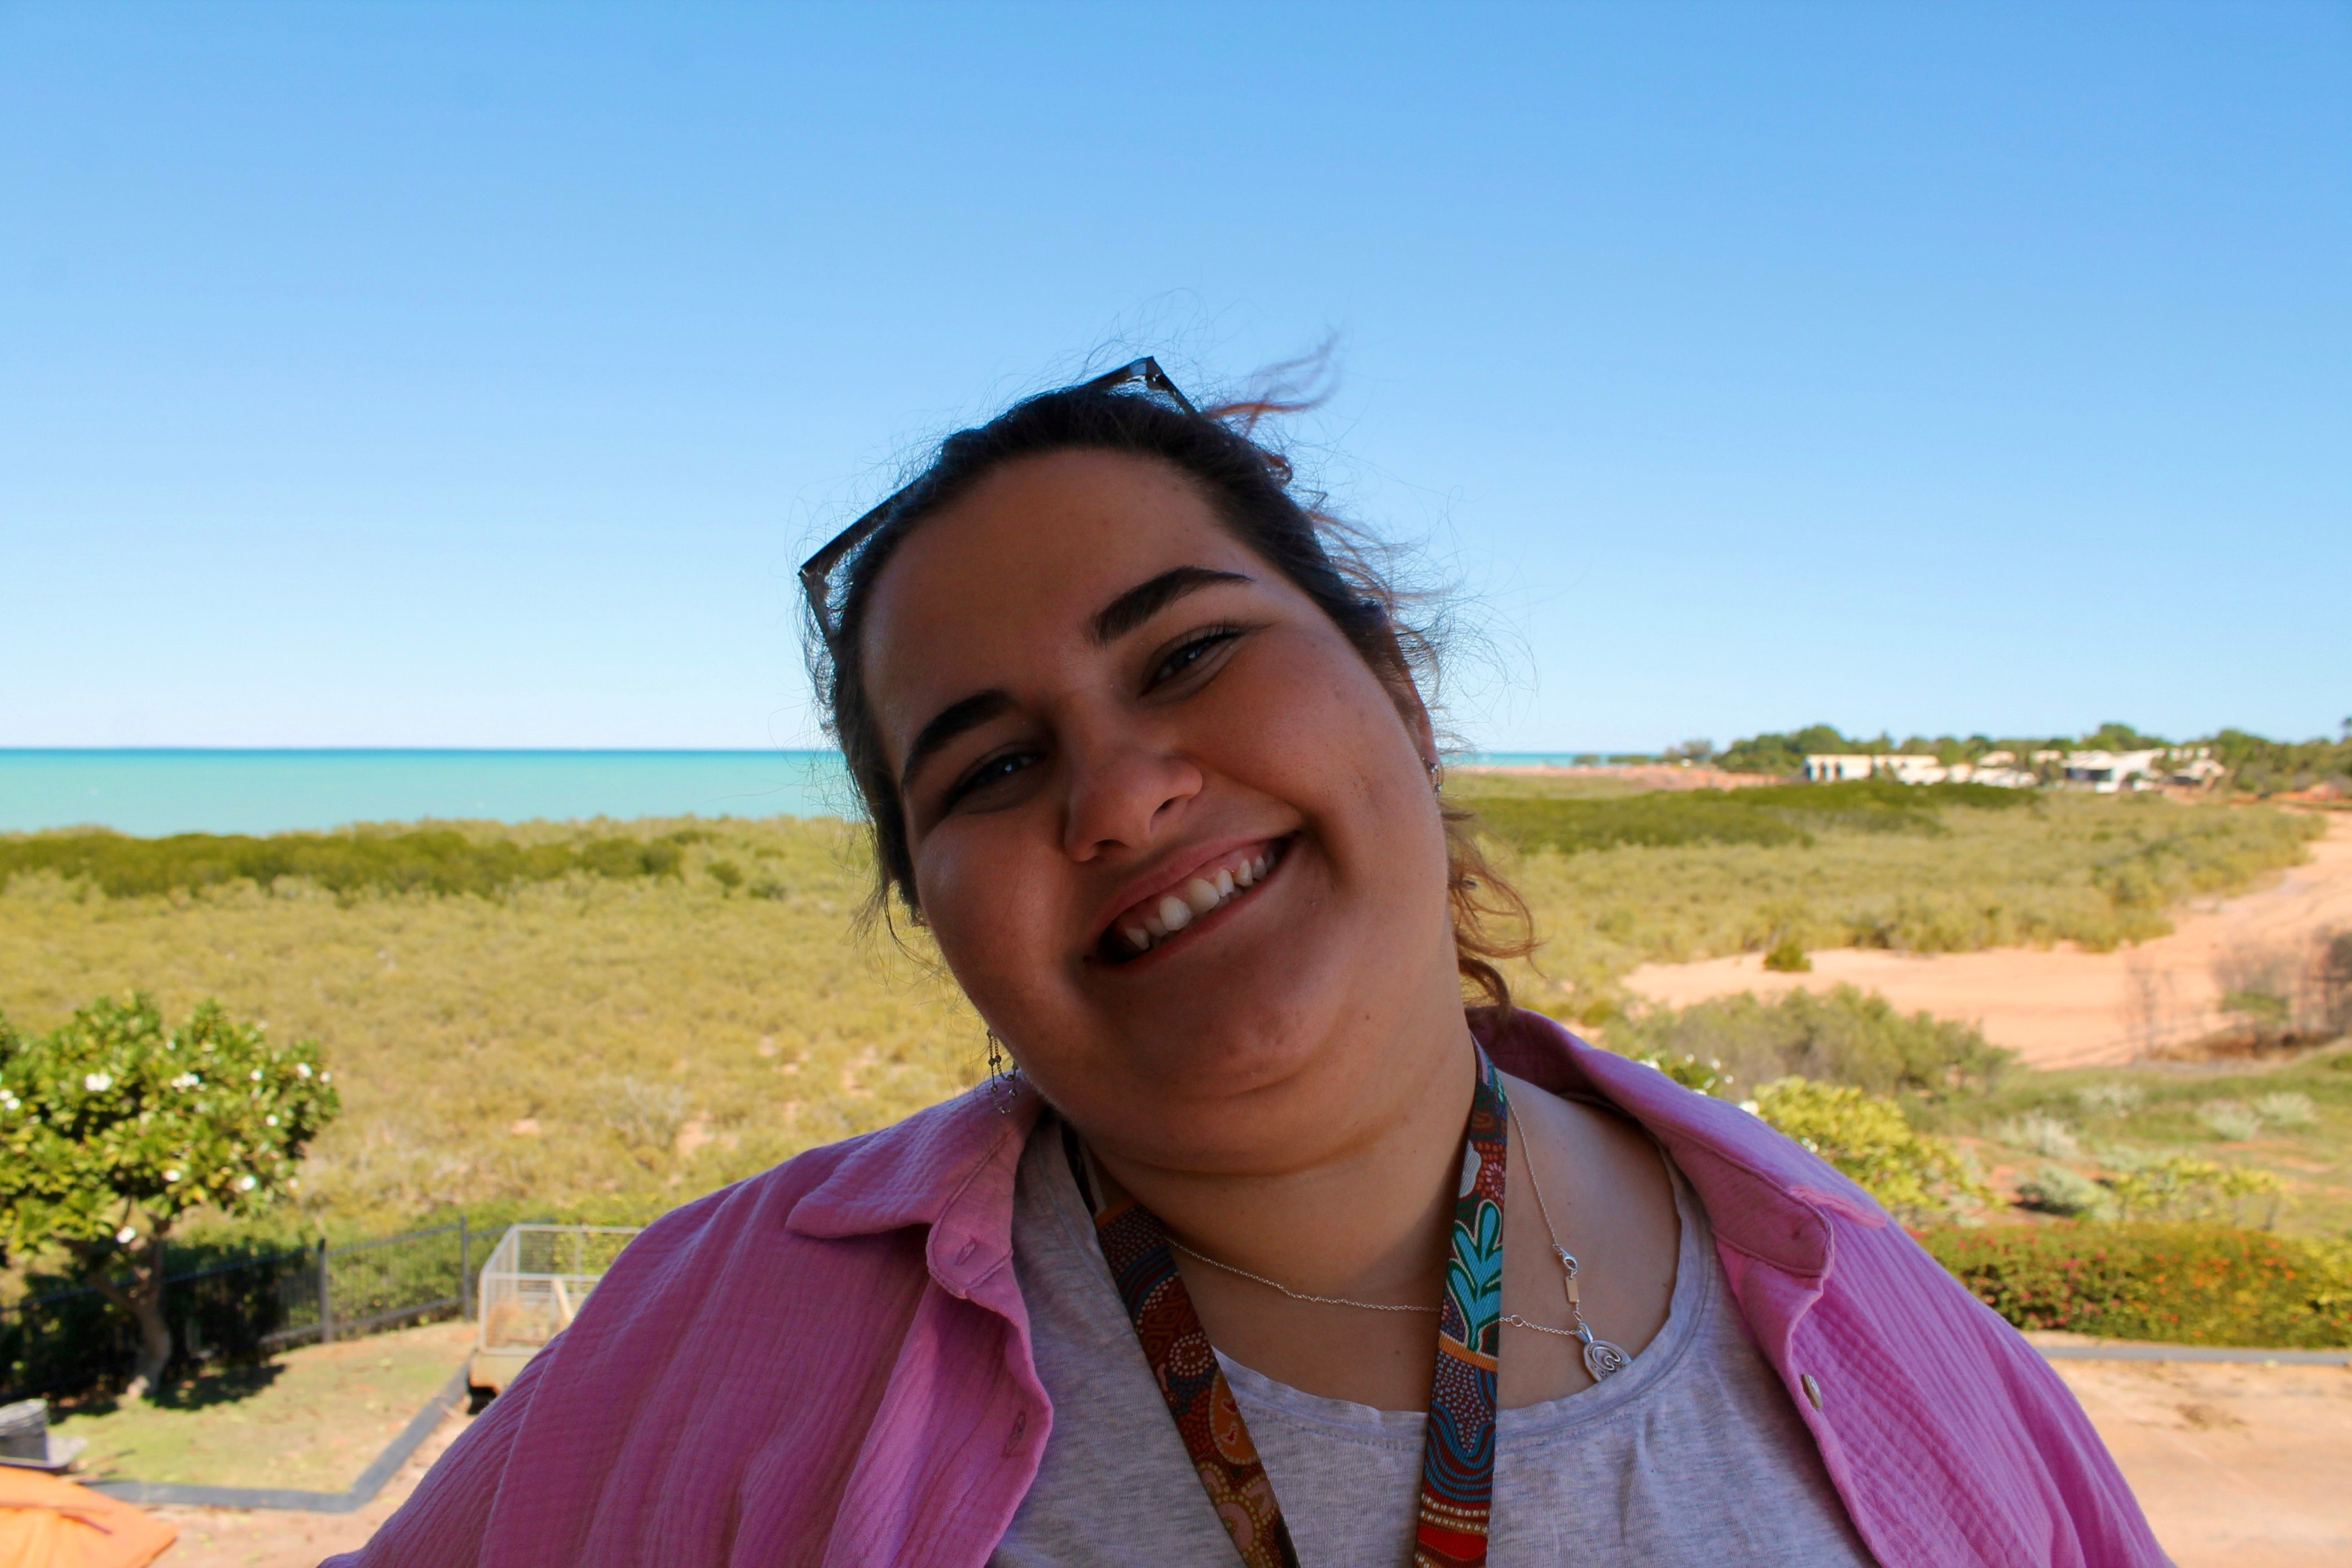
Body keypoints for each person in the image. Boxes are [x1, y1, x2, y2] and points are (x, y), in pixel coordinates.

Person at [332, 360, 2167, 1568]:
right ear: (935, 912)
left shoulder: (1856, 1295)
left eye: (1190, 653)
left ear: (1395, 686)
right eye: (987, 765)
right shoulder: (726, 1324)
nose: (1120, 793)